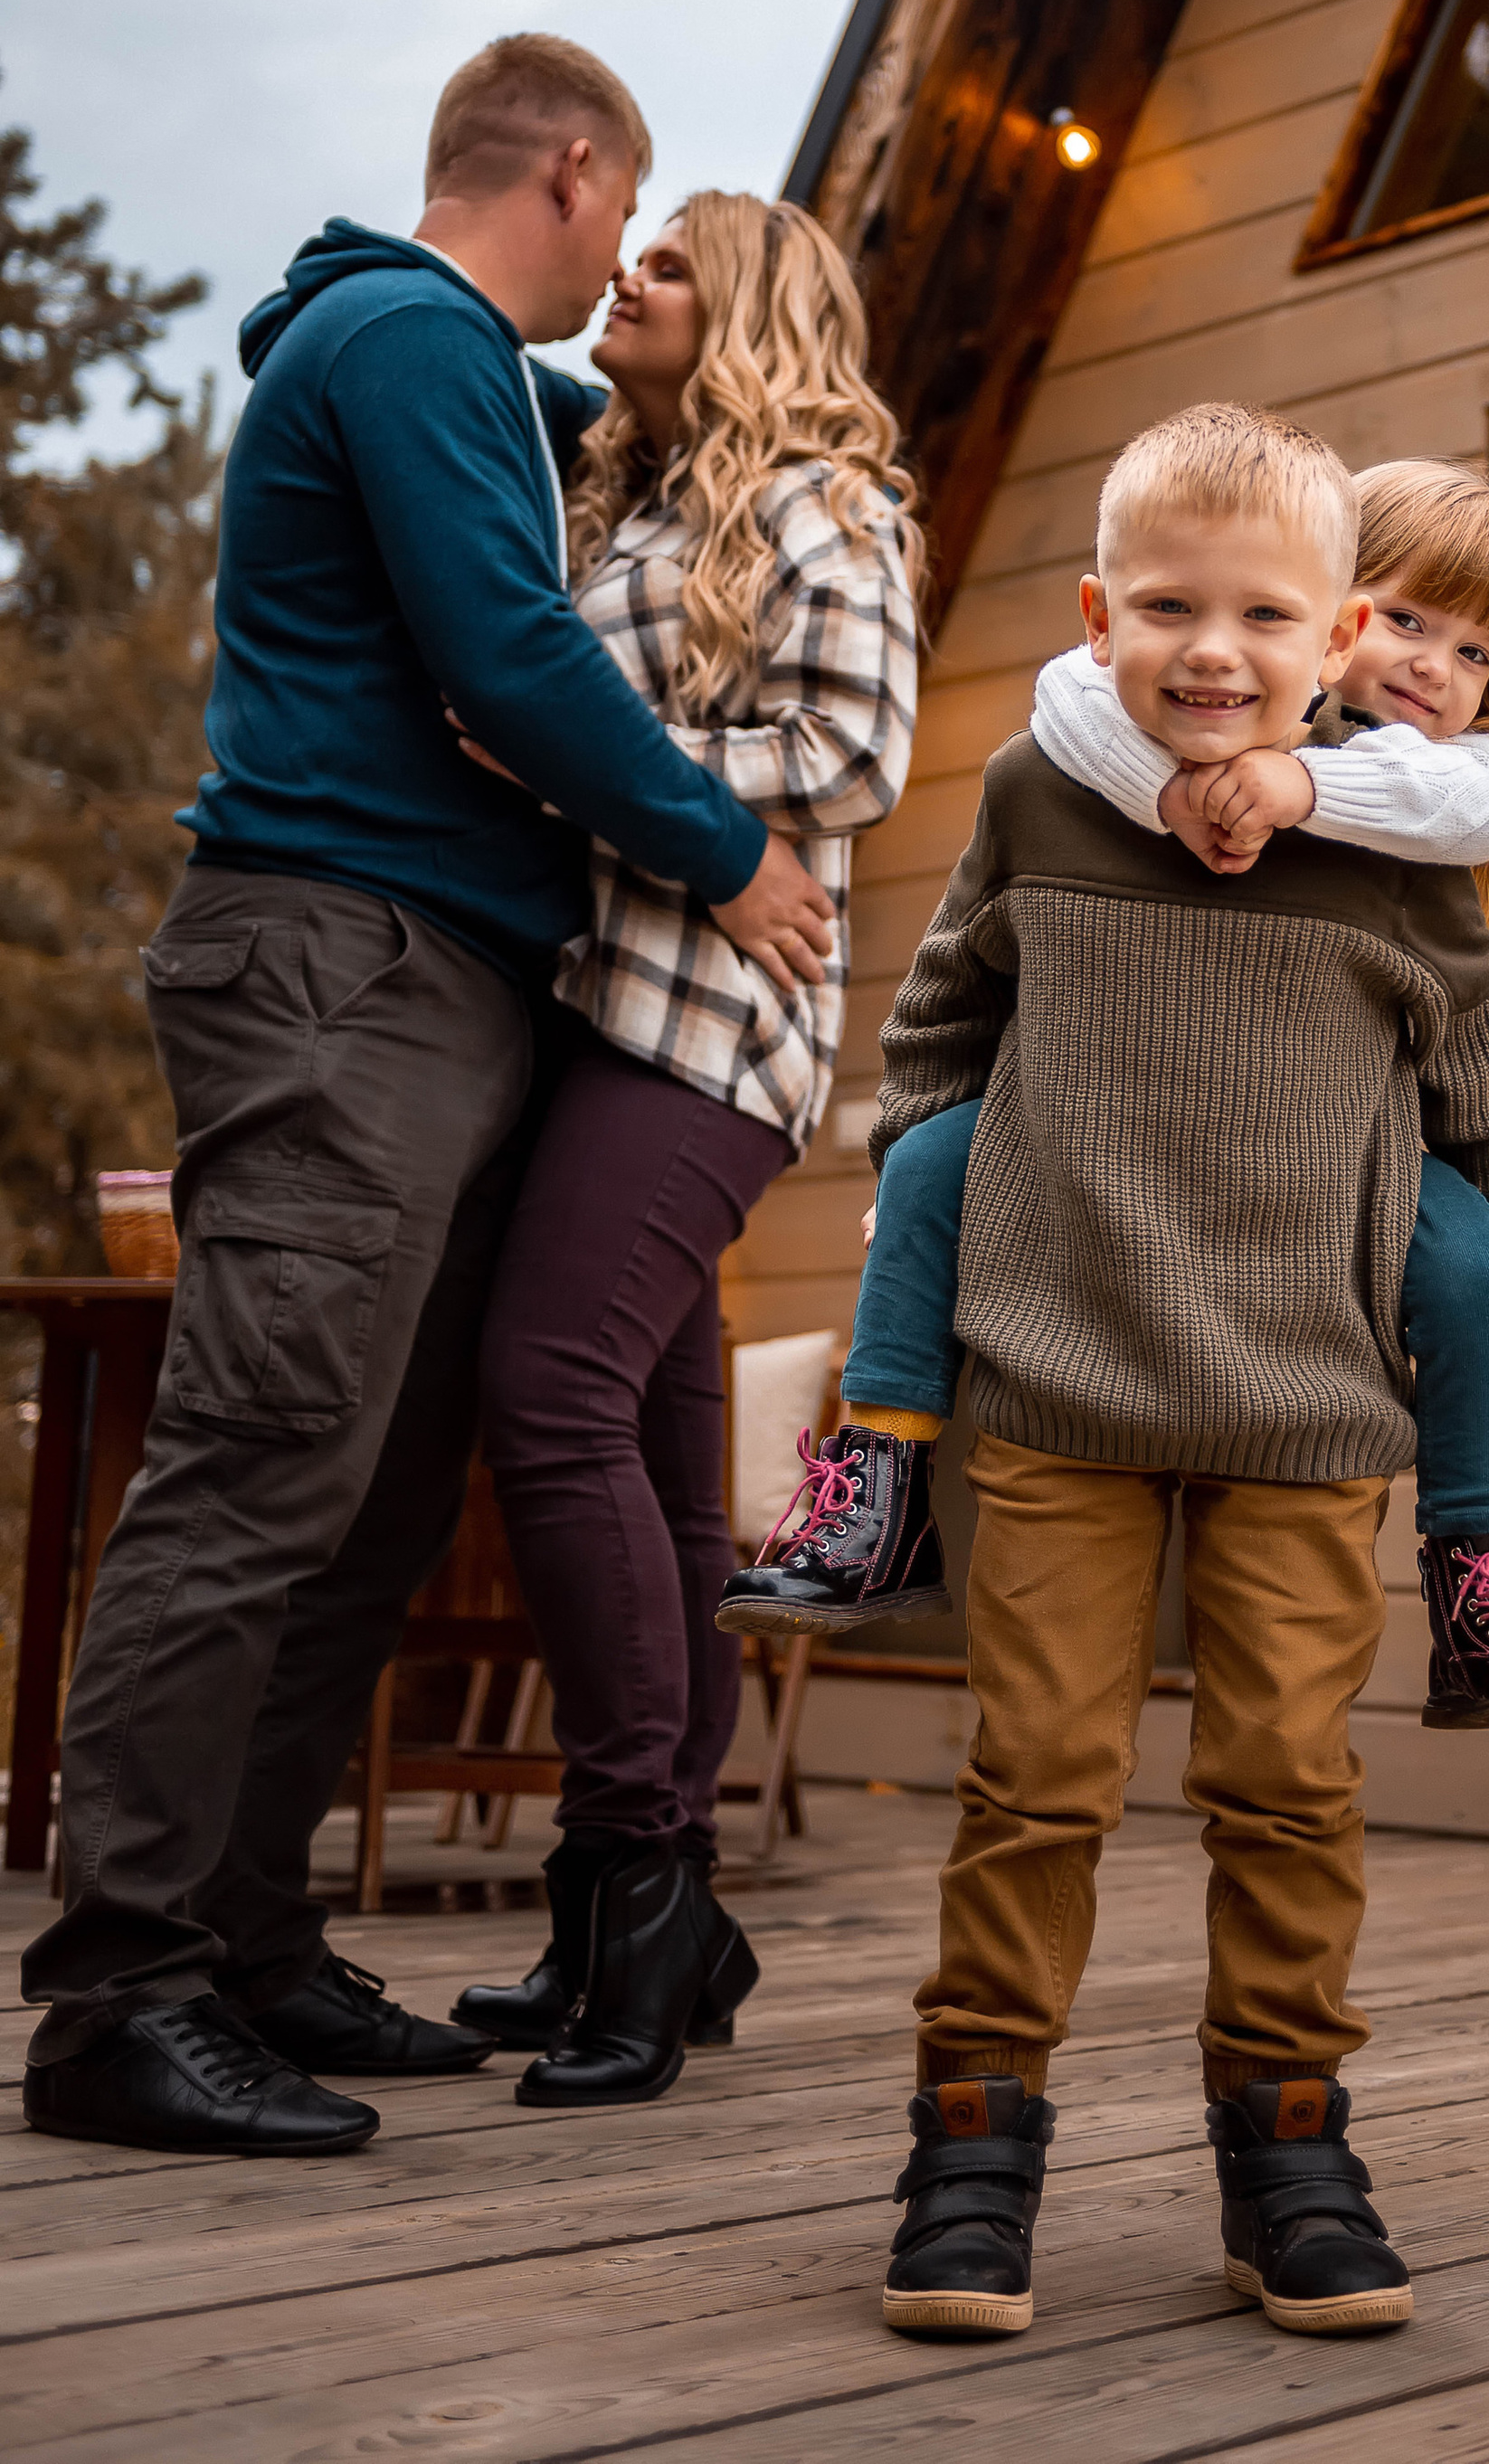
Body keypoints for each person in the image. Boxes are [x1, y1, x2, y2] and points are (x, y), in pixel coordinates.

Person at [20, 35, 833, 2163]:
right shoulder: (405, 336)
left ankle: (254, 1940)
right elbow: (506, 645)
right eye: (624, 227)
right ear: (573, 167)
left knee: (367, 1497)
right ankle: (120, 1993)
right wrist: (728, 850)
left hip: (444, 989)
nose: (611, 289)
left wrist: (752, 387)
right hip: (334, 964)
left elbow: (661, 425)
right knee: (257, 1465)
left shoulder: (468, 372)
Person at [820, 403, 1489, 2340]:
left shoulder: (1390, 856)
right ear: (1096, 616)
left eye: (1260, 616)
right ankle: (971, 2144)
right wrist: (964, 1220)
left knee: (1281, 1785)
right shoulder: (1037, 799)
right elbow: (937, 1036)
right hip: (1057, 1389)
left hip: (1304, 1405)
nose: (1210, 651)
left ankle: (1288, 2149)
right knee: (1036, 1777)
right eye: (1165, 607)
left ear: (1332, 648)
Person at [724, 456, 1489, 1734]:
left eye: (1473, 654)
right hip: (1087, 1160)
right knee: (924, 1164)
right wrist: (1173, 790)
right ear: (1332, 609)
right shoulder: (1073, 760)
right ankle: (879, 1479)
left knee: (1479, 1271)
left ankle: (1480, 1574)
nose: (1429, 668)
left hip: (1343, 1188)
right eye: (1410, 620)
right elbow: (1061, 724)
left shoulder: (1429, 810)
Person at [448, 193, 918, 2108]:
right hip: (598, 1011)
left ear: (745, 314)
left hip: (717, 1032)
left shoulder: (824, 498)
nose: (627, 276)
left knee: (542, 1398)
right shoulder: (623, 502)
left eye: (668, 265)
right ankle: (652, 1913)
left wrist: (573, 749)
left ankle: (630, 1880)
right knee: (649, 1470)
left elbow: (855, 751)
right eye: (620, 253)